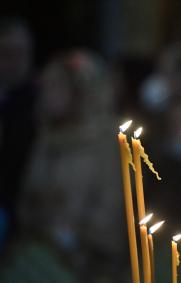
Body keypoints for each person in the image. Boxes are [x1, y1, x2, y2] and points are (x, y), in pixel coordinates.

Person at [19, 50, 127, 281]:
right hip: (39, 256)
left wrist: (75, 239)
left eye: (56, 87)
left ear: (78, 92)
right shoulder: (45, 137)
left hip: (88, 263)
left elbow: (111, 205)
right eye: (46, 87)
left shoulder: (106, 139)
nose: (48, 95)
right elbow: (27, 195)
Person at [0, 18, 37, 249]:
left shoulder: (41, 102)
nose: (15, 61)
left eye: (21, 52)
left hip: (21, 210)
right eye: (7, 53)